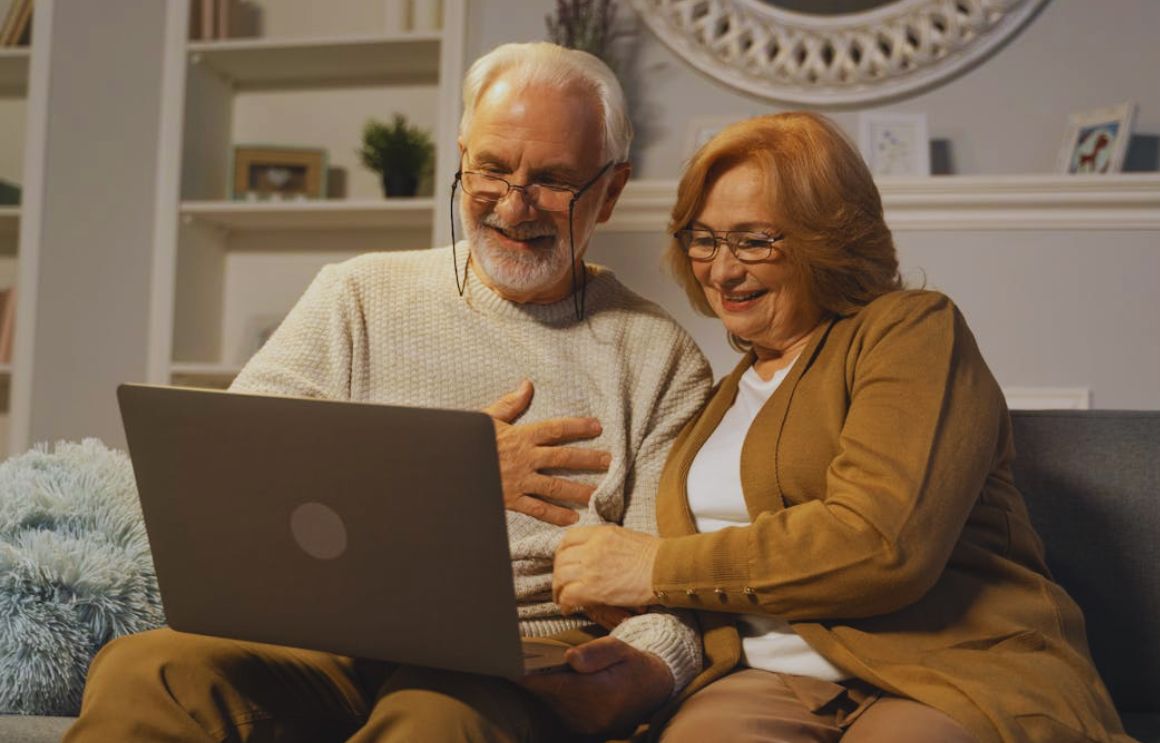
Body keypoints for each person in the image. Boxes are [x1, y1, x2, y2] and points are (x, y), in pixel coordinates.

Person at [64, 42, 710, 742]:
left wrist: (651, 665)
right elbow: (232, 482)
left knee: (436, 720)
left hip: (516, 662)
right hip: (318, 642)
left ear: (610, 191)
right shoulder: (356, 295)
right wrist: (444, 479)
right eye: (490, 169)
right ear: (460, 156)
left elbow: (672, 585)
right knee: (144, 667)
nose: (514, 204)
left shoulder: (657, 358)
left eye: (553, 179)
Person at [550, 112, 1137, 743]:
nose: (721, 270)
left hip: (947, 669)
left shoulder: (910, 331)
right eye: (705, 239)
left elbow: (881, 544)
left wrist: (657, 568)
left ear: (827, 238)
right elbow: (702, 577)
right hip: (762, 682)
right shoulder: (718, 398)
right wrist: (613, 598)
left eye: (754, 240)